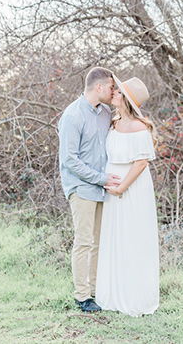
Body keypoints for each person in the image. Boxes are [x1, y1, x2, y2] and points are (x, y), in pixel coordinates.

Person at [96, 75, 159, 317]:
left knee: (133, 239)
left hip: (131, 189)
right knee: (114, 238)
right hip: (112, 188)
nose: (113, 93)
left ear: (127, 100)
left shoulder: (139, 127)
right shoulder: (113, 122)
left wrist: (122, 187)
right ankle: (112, 293)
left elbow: (141, 162)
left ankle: (134, 296)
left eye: (118, 92)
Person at [58, 67, 121, 313]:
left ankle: (95, 292)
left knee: (98, 242)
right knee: (83, 242)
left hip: (101, 187)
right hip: (82, 187)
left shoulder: (105, 113)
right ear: (99, 87)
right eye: (111, 87)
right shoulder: (73, 116)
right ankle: (82, 297)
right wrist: (101, 179)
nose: (113, 91)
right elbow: (70, 160)